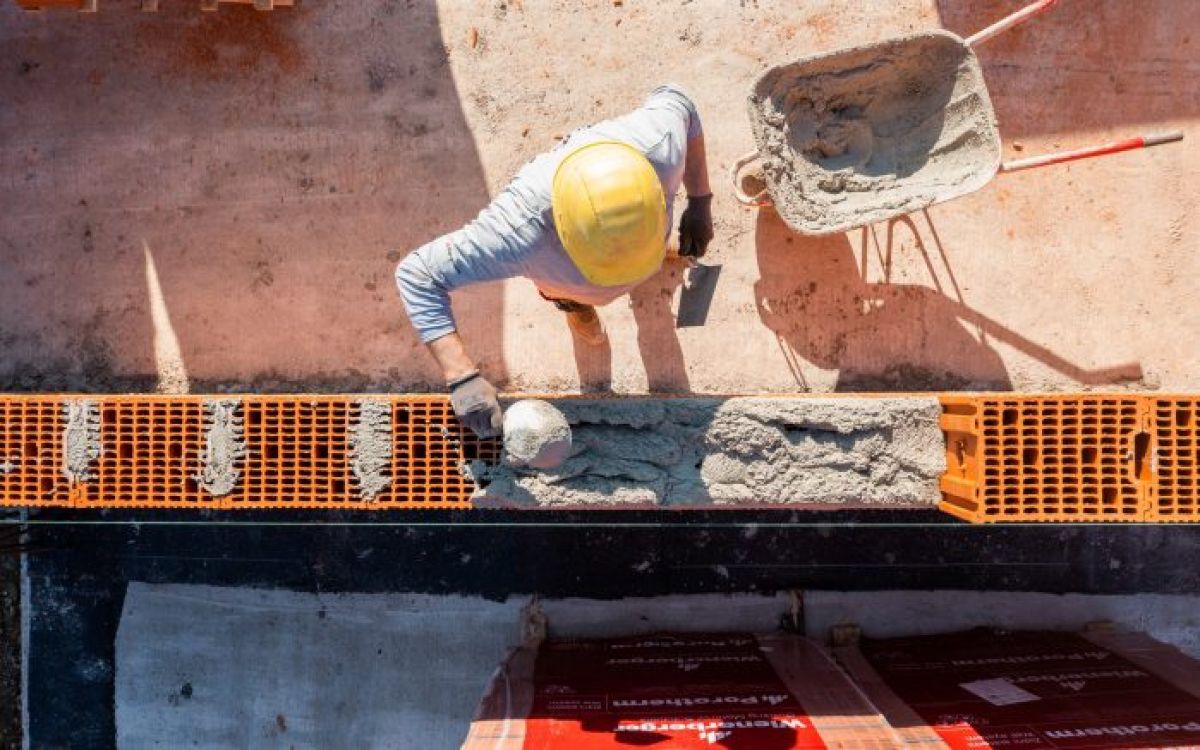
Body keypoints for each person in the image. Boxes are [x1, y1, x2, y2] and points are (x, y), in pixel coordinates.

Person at [395, 85, 714, 437]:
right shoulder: (519, 229)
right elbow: (418, 274)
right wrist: (461, 376)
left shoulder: (657, 146)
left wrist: (700, 201)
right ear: (561, 228)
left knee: (618, 269)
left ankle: (638, 262)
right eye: (607, 265)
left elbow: (682, 101)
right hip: (567, 274)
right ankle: (574, 304)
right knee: (564, 290)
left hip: (643, 240)